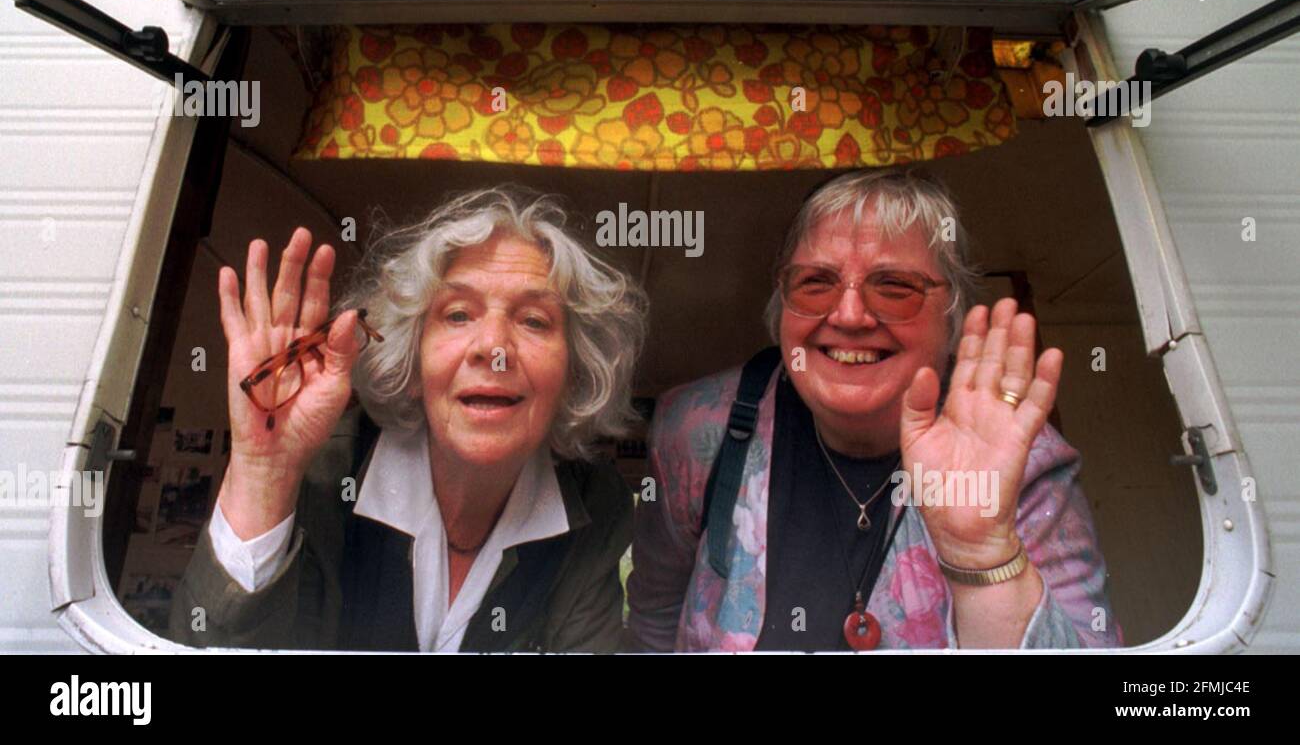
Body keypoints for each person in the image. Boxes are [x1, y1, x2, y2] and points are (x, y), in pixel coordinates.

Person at [626, 169, 1122, 651]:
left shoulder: (1018, 463)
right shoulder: (696, 430)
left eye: (894, 287)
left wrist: (982, 553)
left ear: (951, 315)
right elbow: (655, 624)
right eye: (816, 282)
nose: (849, 315)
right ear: (783, 303)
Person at [168, 186, 646, 652]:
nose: (494, 349)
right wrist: (262, 474)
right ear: (410, 363)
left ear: (573, 374)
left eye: (534, 321)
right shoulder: (326, 476)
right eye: (458, 315)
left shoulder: (595, 503)